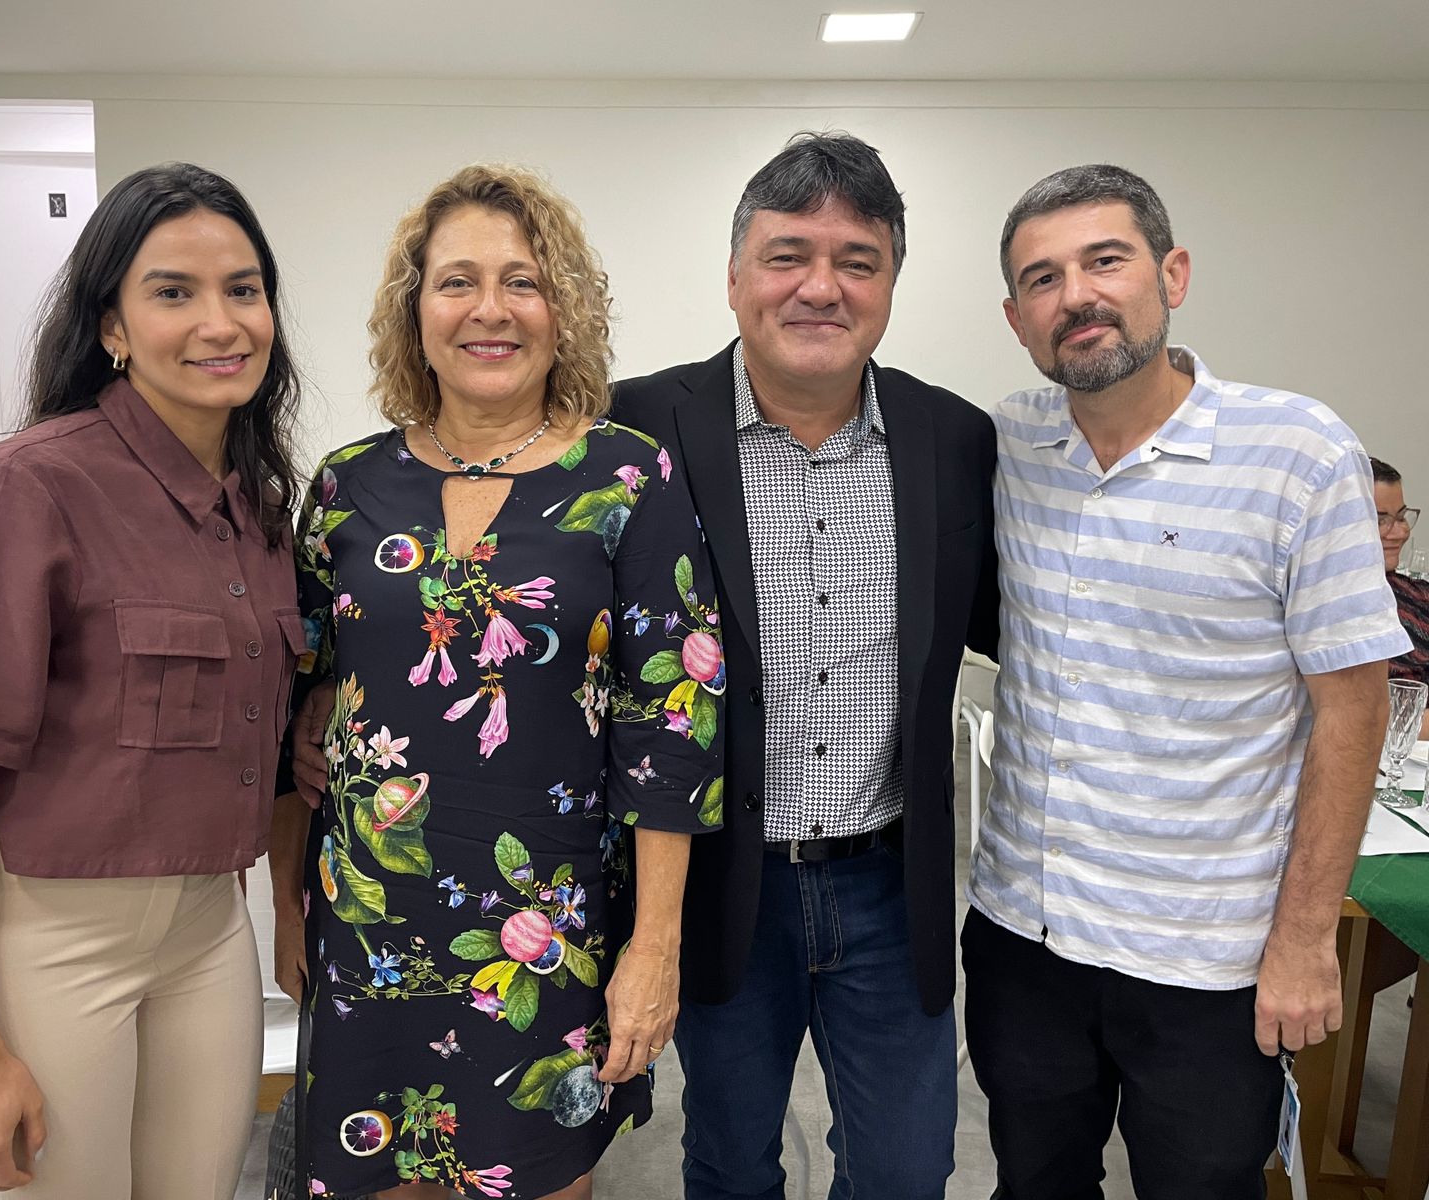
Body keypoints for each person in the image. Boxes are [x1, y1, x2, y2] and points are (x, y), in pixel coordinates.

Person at [269, 164, 724, 1200]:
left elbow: (674, 724)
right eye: (457, 282)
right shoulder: (345, 487)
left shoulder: (626, 478)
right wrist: (289, 910)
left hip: (544, 937)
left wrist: (654, 949)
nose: (491, 309)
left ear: (564, 311)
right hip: (370, 925)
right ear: (414, 311)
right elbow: (298, 711)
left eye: (523, 281)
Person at [968, 163, 1409, 1199]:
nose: (1076, 294)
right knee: (1034, 1183)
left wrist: (1305, 940)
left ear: (1171, 274)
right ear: (1016, 318)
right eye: (1042, 278)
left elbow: (1352, 710)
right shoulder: (1008, 443)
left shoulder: (1298, 453)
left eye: (1104, 261)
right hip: (1026, 936)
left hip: (1210, 957)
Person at [0, 163, 306, 1197]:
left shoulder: (258, 511)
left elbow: (269, 750)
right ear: (111, 325)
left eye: (243, 289)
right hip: (44, 935)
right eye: (173, 292)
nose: (220, 322)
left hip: (209, 928)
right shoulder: (18, 489)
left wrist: (289, 912)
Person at [612, 131, 999, 1199]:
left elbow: (1018, 624)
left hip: (890, 881)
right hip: (718, 881)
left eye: (856, 261)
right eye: (787, 255)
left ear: (890, 284)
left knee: (906, 1170)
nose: (820, 287)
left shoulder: (953, 439)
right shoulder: (633, 426)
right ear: (736, 276)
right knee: (730, 1161)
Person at [1371, 456, 1429, 684]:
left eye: (1402, 517)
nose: (1400, 532)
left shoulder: (1418, 595)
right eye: (1380, 521)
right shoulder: (1332, 610)